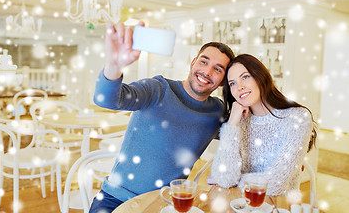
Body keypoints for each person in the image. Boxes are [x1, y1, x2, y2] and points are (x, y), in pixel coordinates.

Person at [90, 22, 235, 212]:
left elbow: (239, 138)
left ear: (223, 80)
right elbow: (106, 99)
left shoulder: (216, 112)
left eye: (218, 69)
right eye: (204, 61)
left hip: (165, 204)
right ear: (193, 62)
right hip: (116, 199)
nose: (207, 72)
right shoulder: (156, 89)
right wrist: (114, 64)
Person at [207, 54, 317, 196]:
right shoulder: (238, 122)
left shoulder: (297, 118)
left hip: (278, 206)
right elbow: (224, 177)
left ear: (260, 76)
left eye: (245, 77)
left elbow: (275, 185)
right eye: (232, 83)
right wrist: (232, 124)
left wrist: (234, 181)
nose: (239, 87)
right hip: (238, 204)